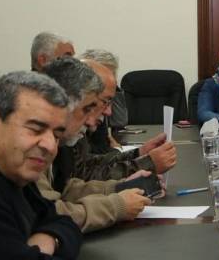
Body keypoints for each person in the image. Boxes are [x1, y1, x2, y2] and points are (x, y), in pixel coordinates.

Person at [37, 57, 152, 233]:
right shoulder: (34, 146)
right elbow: (50, 215)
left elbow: (64, 189)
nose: (91, 121)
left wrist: (120, 188)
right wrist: (117, 206)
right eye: (87, 109)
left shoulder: (57, 142)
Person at [0, 71, 82, 259]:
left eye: (56, 135)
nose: (50, 146)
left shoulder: (16, 174)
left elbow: (65, 223)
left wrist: (49, 238)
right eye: (35, 129)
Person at [74, 58, 177, 181]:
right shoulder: (66, 136)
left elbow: (88, 165)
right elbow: (83, 177)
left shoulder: (74, 135)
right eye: (105, 101)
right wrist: (147, 164)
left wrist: (139, 153)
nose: (109, 112)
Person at [79, 49, 128, 153]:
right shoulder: (77, 119)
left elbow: (120, 121)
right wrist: (116, 150)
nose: (108, 111)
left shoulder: (101, 107)